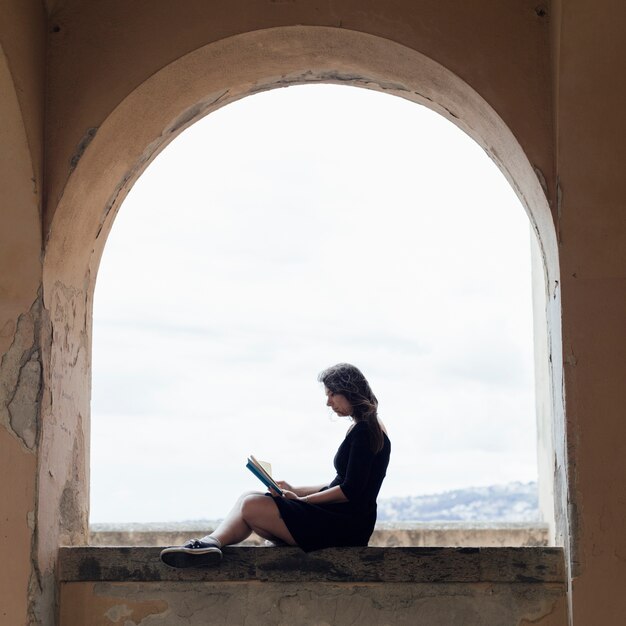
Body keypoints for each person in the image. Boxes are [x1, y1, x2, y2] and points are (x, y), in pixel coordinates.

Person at [160, 363, 391, 568]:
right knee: (249, 496)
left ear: (348, 391)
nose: (328, 402)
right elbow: (341, 482)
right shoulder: (365, 427)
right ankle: (210, 544)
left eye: (332, 394)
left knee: (252, 504)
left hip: (345, 525)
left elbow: (349, 490)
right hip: (346, 519)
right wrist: (295, 489)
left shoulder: (365, 431)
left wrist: (301, 501)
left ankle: (207, 545)